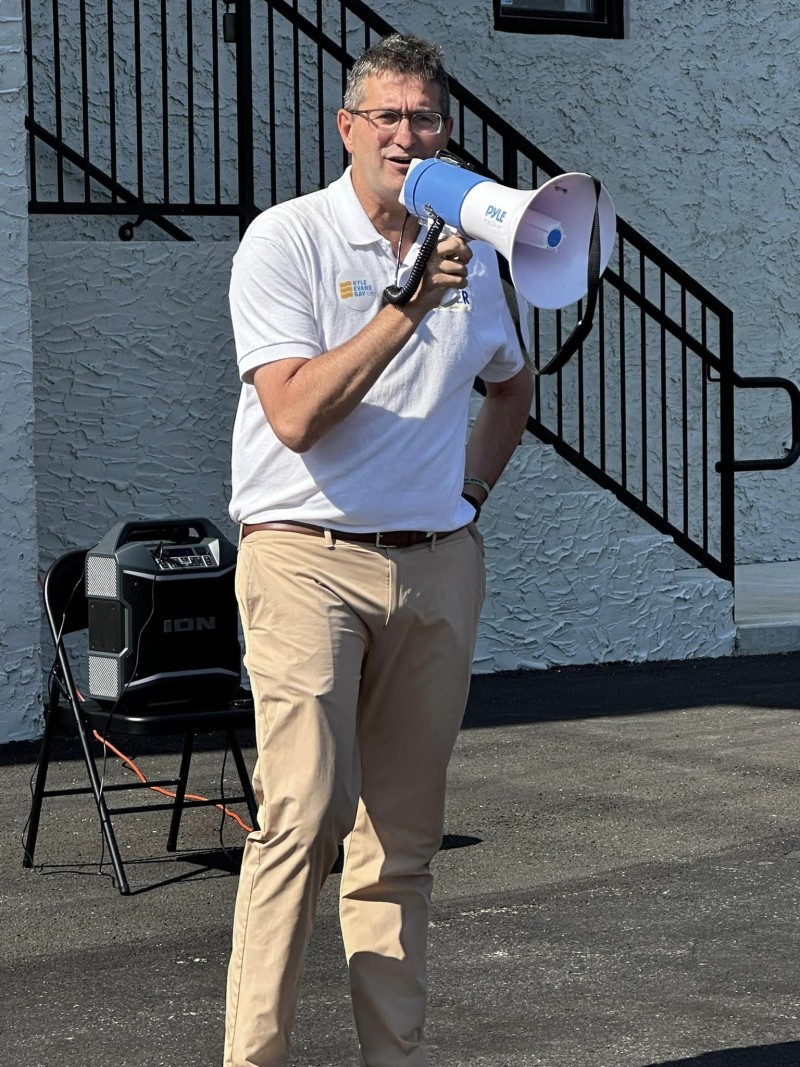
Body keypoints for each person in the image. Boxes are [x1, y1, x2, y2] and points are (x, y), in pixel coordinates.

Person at [224, 32, 533, 1067]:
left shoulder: (474, 256)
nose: (406, 137)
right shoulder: (287, 240)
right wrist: (406, 308)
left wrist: (471, 492)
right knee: (301, 820)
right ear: (348, 127)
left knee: (400, 841)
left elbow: (510, 385)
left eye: (425, 119)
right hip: (304, 554)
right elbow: (297, 414)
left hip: (435, 560)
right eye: (387, 118)